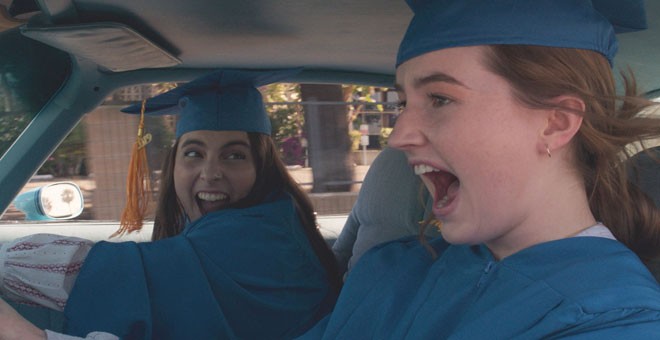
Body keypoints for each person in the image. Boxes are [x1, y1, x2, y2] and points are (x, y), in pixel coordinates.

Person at [300, 0, 660, 338]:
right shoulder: (392, 269)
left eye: (439, 99)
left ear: (557, 122)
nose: (399, 136)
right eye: (404, 104)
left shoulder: (617, 319)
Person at [0, 69, 341, 339]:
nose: (211, 173)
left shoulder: (257, 240)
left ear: (261, 167)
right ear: (174, 163)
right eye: (194, 153)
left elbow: (97, 273)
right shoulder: (278, 220)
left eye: (235, 155)